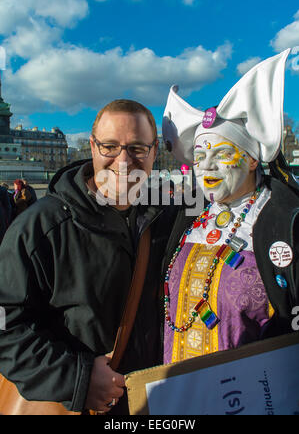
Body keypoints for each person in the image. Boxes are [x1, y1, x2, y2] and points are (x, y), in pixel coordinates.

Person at [0, 99, 177, 414]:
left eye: (137, 148)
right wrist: (76, 378)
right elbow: (6, 325)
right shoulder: (40, 228)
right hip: (76, 404)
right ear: (92, 147)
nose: (123, 161)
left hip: (155, 399)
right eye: (110, 146)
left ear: (154, 152)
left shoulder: (171, 217)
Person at [161, 48, 299, 366]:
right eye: (199, 156)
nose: (206, 167)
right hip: (179, 397)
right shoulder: (187, 217)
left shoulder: (286, 222)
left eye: (220, 154)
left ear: (252, 159)